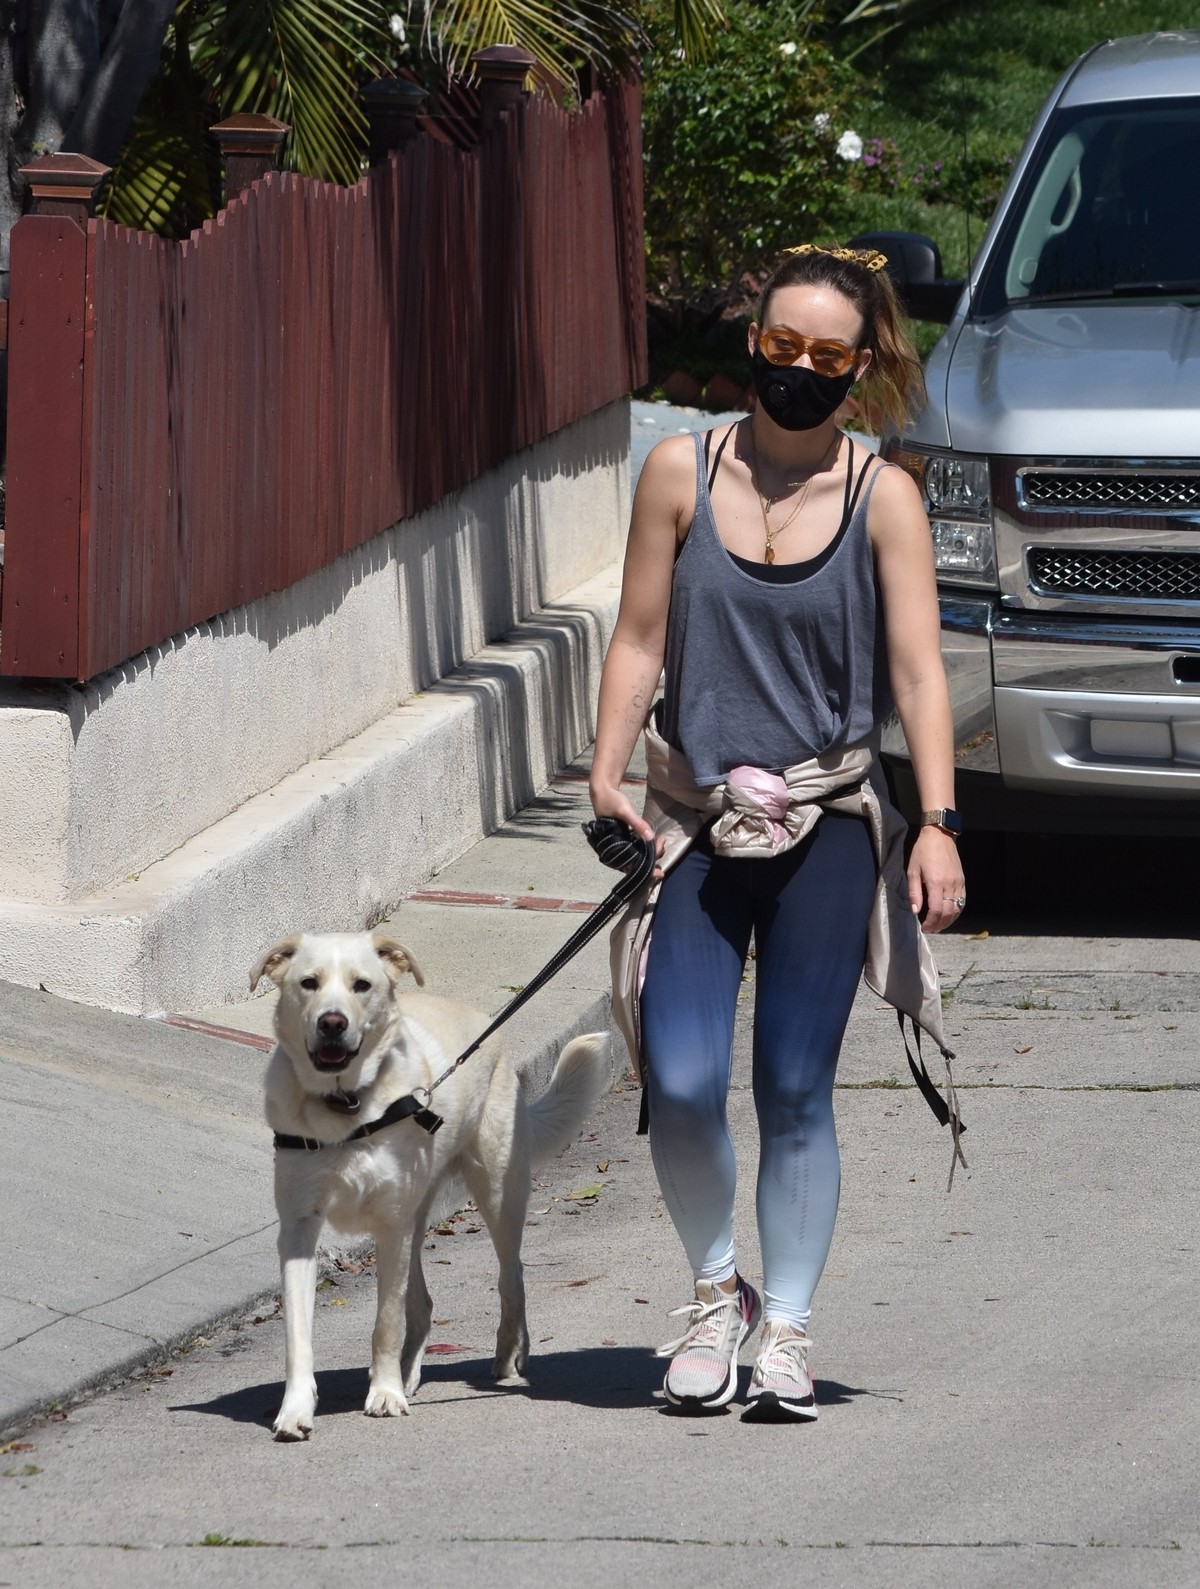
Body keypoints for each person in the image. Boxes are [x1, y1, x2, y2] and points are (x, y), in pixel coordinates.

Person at [588, 242, 965, 1423]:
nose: (798, 369)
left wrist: (938, 823)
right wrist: (607, 773)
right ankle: (717, 1297)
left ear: (861, 366)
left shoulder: (881, 495)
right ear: (752, 342)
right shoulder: (679, 472)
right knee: (684, 1076)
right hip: (695, 823)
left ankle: (789, 1326)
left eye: (827, 355)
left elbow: (917, 671)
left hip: (826, 820)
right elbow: (640, 637)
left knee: (794, 1083)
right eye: (781, 346)